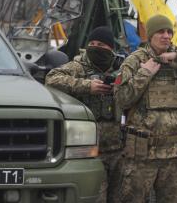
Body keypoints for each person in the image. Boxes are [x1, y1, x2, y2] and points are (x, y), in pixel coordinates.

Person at [114, 15, 177, 203]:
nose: (166, 36)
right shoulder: (135, 61)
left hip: (173, 154)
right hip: (142, 156)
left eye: (170, 32)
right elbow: (122, 99)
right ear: (151, 35)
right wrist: (145, 73)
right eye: (161, 31)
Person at [45, 26, 122, 203]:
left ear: (111, 48)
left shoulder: (120, 68)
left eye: (101, 44)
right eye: (92, 43)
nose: (95, 47)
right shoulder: (78, 66)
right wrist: (87, 86)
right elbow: (51, 78)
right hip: (90, 150)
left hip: (118, 149)